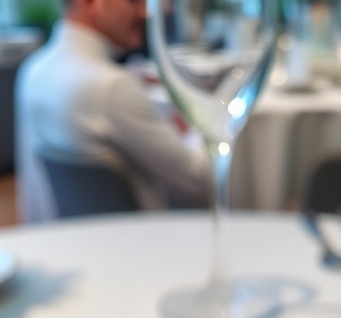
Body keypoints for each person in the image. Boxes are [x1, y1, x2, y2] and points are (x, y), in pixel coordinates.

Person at [15, 0, 209, 221]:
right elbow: (199, 180)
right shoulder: (111, 87)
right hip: (143, 242)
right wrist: (193, 119)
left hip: (74, 241)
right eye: (133, 2)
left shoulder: (32, 72)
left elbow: (32, 199)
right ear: (89, 3)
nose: (145, 12)